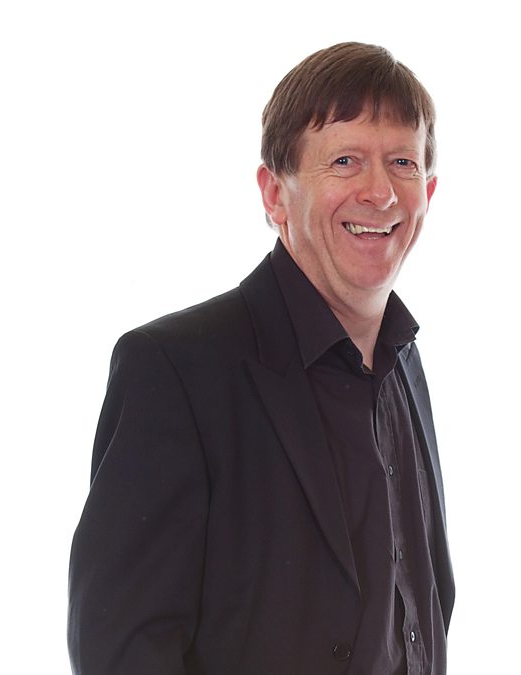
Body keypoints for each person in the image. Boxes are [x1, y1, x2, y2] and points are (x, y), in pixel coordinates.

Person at [68, 42, 454, 675]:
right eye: (346, 160)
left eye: (402, 162)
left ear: (428, 192)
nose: (380, 192)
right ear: (275, 194)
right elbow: (121, 652)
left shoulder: (404, 365)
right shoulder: (174, 371)